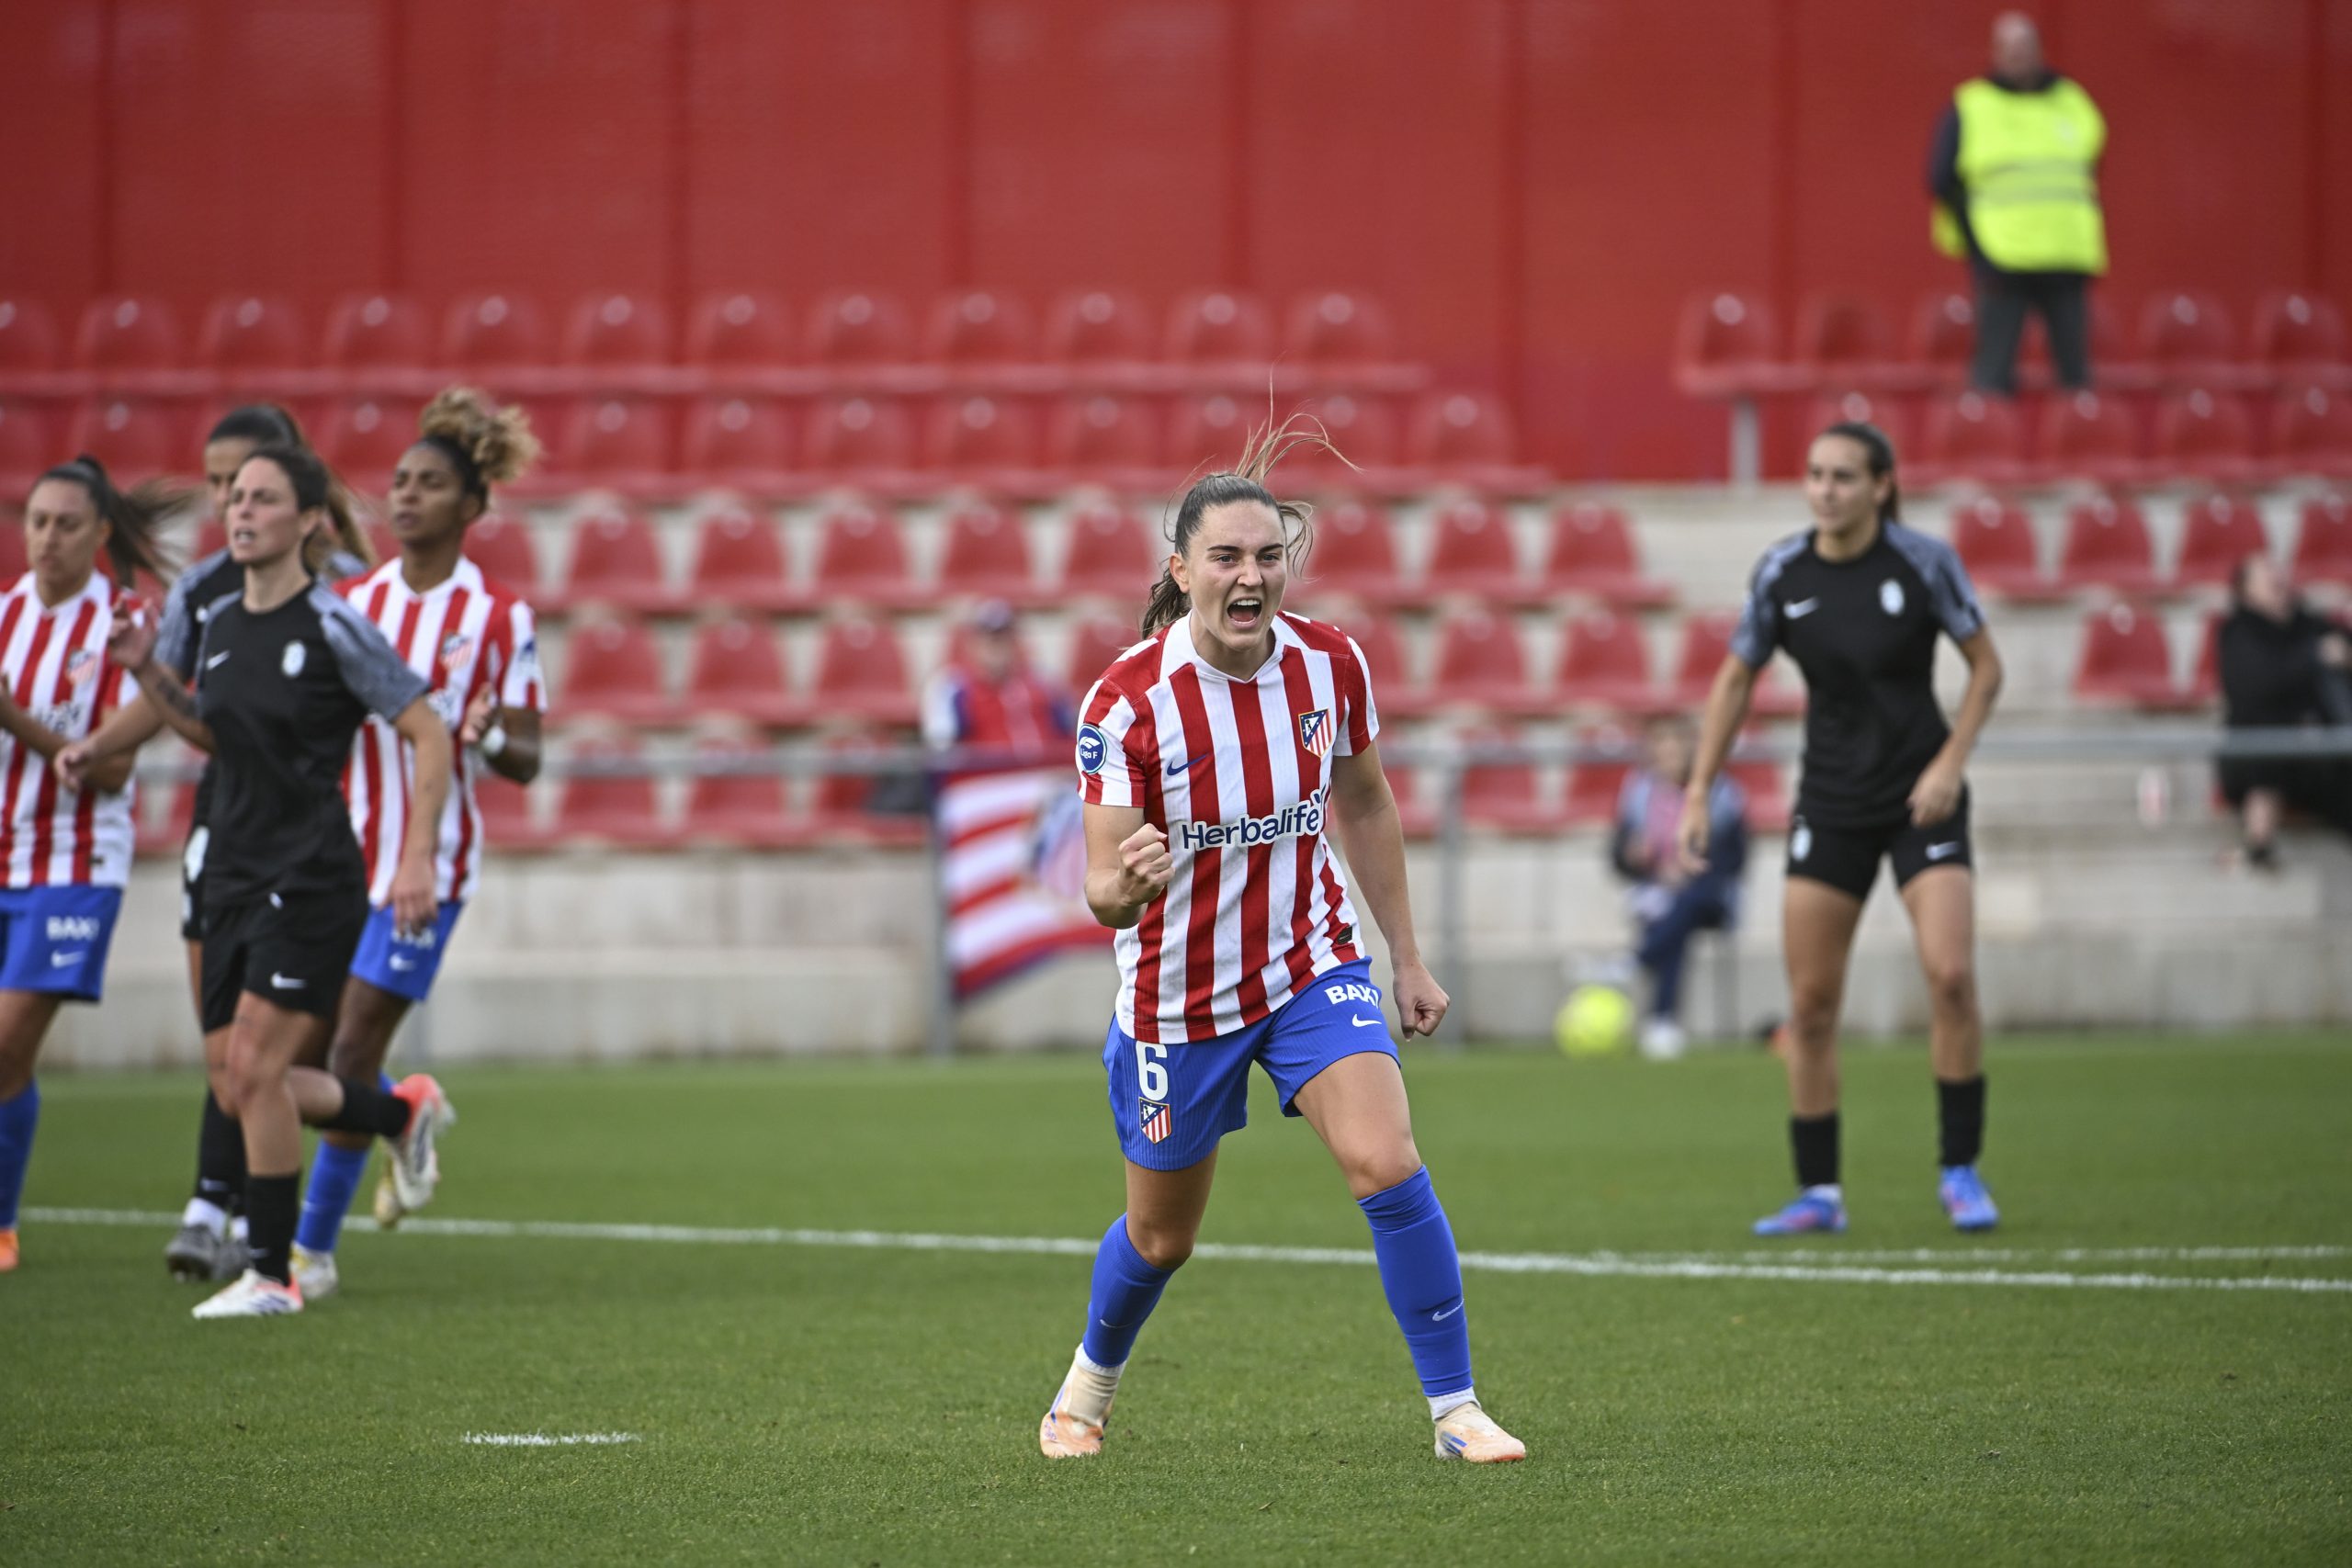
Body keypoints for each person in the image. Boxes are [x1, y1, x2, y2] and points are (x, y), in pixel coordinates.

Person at [1035, 423, 1524, 1464]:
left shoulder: (1329, 663)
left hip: (1311, 964)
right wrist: (1127, 886)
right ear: (1180, 570)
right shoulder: (1125, 704)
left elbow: (1366, 801)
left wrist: (1406, 954)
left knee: (1387, 1163)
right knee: (1163, 1237)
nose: (1250, 576)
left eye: (1267, 555)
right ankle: (1088, 1381)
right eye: (1225, 557)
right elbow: (1099, 892)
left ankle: (1455, 1410)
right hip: (1179, 996)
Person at [61, 445, 455, 1318]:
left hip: (310, 871)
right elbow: (211, 731)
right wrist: (143, 669)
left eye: (263, 498)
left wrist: (419, 851)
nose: (240, 511)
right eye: (235, 497)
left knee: (255, 1065)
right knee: (240, 1078)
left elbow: (429, 731)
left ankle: (271, 1275)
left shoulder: (335, 623)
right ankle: (399, 1113)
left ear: (309, 520)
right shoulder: (222, 622)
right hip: (231, 868)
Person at [1679, 421, 2006, 1236]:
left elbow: (1986, 668)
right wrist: (1697, 789)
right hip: (1829, 802)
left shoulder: (1925, 563)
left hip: (1921, 799)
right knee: (1814, 1003)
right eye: (1816, 473)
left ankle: (1960, 1170)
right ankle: (1819, 1191)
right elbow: (1734, 680)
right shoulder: (1784, 572)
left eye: (1844, 476)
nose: (1825, 489)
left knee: (1952, 975)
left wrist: (1950, 765)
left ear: (1882, 485)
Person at [290, 389, 545, 1299]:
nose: (404, 497)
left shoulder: (499, 618)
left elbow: (528, 755)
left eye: (430, 484)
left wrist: (485, 736)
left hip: (430, 867)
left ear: (471, 507)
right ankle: (404, 1110)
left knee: (348, 1050)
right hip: (336, 858)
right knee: (308, 1055)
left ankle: (307, 1256)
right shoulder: (353, 603)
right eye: (398, 481)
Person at [0, 457, 178, 1272]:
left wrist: (11, 714)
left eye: (66, 523)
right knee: (9, 1058)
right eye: (37, 520)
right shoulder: (4, 615)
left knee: (4, 1045)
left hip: (73, 867)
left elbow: (105, 768)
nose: (46, 538)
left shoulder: (124, 625)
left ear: (102, 532)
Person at [1928, 11, 2107, 395]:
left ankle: (2074, 446)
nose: (2018, 57)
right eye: (2009, 49)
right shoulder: (1972, 105)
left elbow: (2090, 165)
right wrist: (1978, 243)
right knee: (1992, 379)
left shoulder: (2072, 101)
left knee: (2076, 381)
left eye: (2025, 47)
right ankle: (1986, 449)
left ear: (2040, 50)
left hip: (2066, 256)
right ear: (1995, 53)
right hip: (2002, 257)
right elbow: (1941, 179)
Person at [1609, 715, 1748, 1060]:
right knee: (1673, 920)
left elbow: (1735, 859)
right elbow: (1618, 857)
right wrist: (1633, 855)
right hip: (1658, 894)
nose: (1669, 759)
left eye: (1676, 750)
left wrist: (1691, 873)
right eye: (1662, 751)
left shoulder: (1721, 794)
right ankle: (1662, 1023)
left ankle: (1639, 965)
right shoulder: (1640, 794)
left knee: (1683, 905)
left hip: (1710, 895)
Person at [2216, 553, 2352, 868]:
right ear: (2246, 589)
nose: (2277, 578)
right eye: (2266, 573)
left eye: (2277, 571)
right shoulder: (2239, 632)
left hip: (2323, 753)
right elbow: (2256, 688)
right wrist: (2313, 658)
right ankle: (2259, 845)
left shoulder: (2310, 624)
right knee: (2264, 757)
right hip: (2268, 748)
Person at [920, 597, 1074, 758]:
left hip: (1046, 774)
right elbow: (942, 750)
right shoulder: (950, 686)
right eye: (989, 638)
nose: (996, 646)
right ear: (972, 643)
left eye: (1003, 638)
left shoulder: (1044, 679)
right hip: (982, 778)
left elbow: (1070, 733)